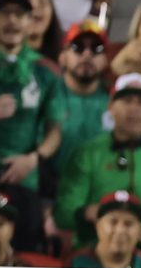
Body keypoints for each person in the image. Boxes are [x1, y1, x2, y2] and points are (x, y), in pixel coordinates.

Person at [55, 72, 141, 257]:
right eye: (127, 100)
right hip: (92, 253)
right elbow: (64, 212)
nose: (134, 109)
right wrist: (87, 213)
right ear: (111, 106)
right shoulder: (87, 154)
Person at [0, 0, 61, 247]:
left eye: (19, 14)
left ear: (30, 22)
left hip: (24, 181)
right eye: (4, 13)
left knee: (26, 262)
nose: (12, 21)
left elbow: (55, 130)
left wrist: (33, 159)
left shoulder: (46, 71)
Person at [45, 22, 109, 184]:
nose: (87, 55)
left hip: (100, 186)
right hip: (51, 186)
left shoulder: (116, 100)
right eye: (78, 47)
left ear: (106, 60)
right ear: (63, 57)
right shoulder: (45, 95)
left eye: (97, 48)